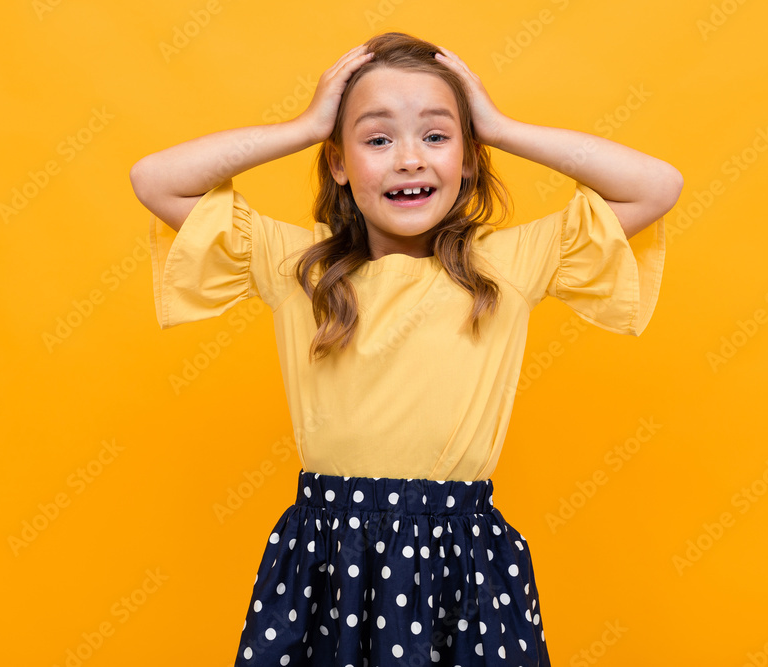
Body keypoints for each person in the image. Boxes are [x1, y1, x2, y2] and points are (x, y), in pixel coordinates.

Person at [130, 31, 681, 667]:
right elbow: (156, 179)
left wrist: (498, 126)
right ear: (338, 162)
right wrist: (305, 125)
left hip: (464, 563)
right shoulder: (297, 266)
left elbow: (655, 186)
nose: (409, 159)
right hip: (327, 561)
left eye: (437, 136)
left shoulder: (506, 266)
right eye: (378, 138)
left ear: (470, 158)